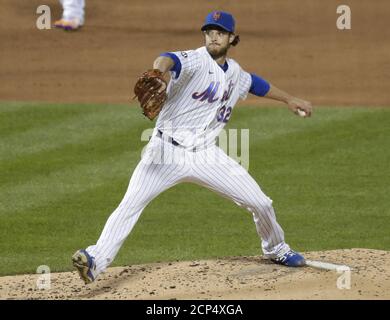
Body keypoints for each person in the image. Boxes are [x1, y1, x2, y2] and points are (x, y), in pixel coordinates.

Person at [72, 11, 313, 284]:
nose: (214, 36)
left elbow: (255, 83)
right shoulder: (194, 60)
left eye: (220, 32)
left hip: (207, 155)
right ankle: (94, 259)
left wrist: (289, 99)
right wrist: (159, 71)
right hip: (164, 152)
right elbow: (168, 58)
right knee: (130, 204)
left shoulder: (234, 72)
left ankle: (276, 248)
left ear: (232, 38)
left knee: (260, 202)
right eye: (210, 31)